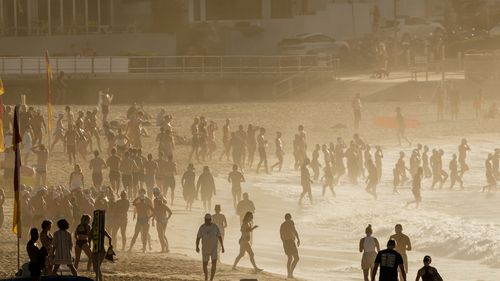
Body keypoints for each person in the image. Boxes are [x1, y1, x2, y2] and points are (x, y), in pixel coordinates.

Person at [196, 214, 225, 281]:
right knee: (204, 264)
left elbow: (219, 236)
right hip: (205, 248)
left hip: (214, 248)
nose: (206, 221)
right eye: (205, 220)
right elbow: (198, 238)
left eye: (208, 220)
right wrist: (197, 246)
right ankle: (206, 277)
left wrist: (222, 247)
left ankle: (211, 278)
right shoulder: (202, 227)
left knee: (214, 263)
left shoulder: (215, 227)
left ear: (210, 220)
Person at [128, 188, 153, 252]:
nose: (141, 195)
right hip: (142, 219)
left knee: (143, 234)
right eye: (140, 193)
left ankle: (144, 248)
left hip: (144, 219)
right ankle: (133, 248)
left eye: (142, 193)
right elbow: (133, 204)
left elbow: (153, 211)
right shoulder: (139, 203)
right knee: (139, 234)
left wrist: (150, 217)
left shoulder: (144, 202)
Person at [152, 187, 173, 253]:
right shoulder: (163, 203)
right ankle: (166, 248)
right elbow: (170, 212)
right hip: (164, 219)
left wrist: (153, 218)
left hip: (159, 219)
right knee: (163, 235)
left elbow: (155, 210)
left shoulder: (156, 201)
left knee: (160, 235)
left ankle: (164, 249)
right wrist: (167, 218)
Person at [280, 213, 300, 279]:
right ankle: (290, 273)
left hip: (285, 242)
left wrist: (284, 242)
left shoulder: (282, 225)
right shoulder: (290, 223)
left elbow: (281, 235)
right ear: (290, 218)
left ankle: (289, 274)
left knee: (289, 258)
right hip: (291, 242)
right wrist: (298, 239)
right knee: (296, 258)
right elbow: (294, 231)